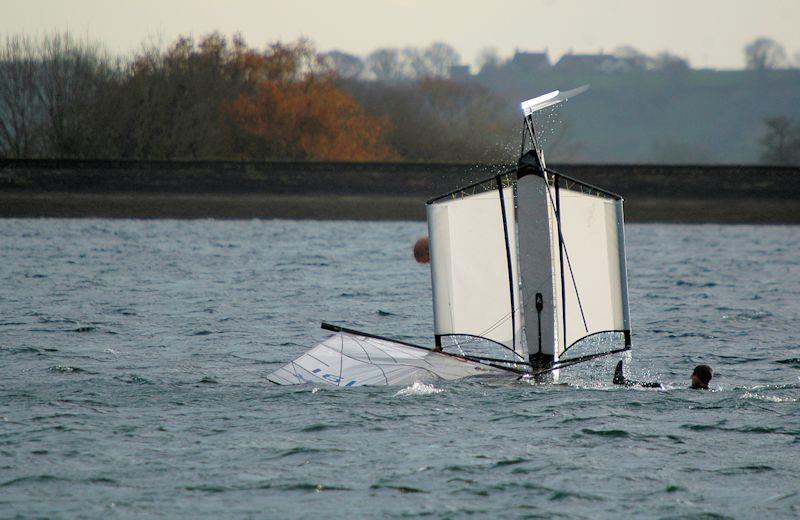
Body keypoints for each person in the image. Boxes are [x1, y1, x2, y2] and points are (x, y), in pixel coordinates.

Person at [612, 361, 713, 389]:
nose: (691, 377)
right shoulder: (711, 391)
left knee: (657, 385)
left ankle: (621, 381)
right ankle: (621, 381)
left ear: (696, 376)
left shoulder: (695, 391)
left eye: (693, 374)